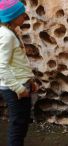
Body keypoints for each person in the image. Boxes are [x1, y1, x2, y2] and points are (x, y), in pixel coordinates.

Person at [0, 0, 38, 145]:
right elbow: (1, 67)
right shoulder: (7, 36)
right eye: (21, 14)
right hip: (14, 88)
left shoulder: (10, 32)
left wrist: (30, 81)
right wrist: (19, 88)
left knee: (21, 124)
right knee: (18, 127)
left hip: (21, 83)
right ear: (12, 16)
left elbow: (18, 63)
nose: (25, 16)